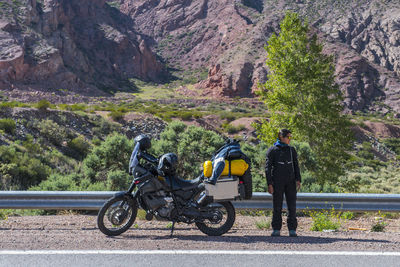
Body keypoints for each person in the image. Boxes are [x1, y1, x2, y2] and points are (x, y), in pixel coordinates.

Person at [265, 129, 301, 237]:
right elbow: (267, 168)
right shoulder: (272, 150)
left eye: (290, 137)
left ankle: (292, 230)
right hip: (277, 182)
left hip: (290, 182)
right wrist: (269, 184)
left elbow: (296, 165)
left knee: (292, 206)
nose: (289, 139)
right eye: (288, 137)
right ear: (281, 137)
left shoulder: (291, 150)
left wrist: (298, 179)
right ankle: (276, 229)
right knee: (277, 206)